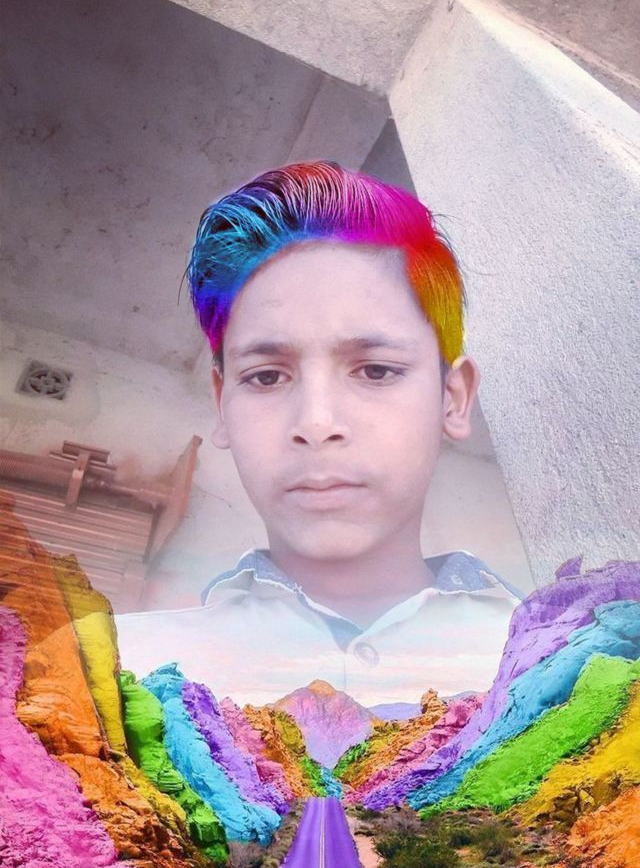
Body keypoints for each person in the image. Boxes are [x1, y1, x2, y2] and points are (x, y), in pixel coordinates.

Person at [115, 161, 523, 709]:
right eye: (266, 377)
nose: (316, 423)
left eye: (375, 370)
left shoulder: (575, 668)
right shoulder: (118, 677)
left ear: (453, 398)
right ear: (222, 404)